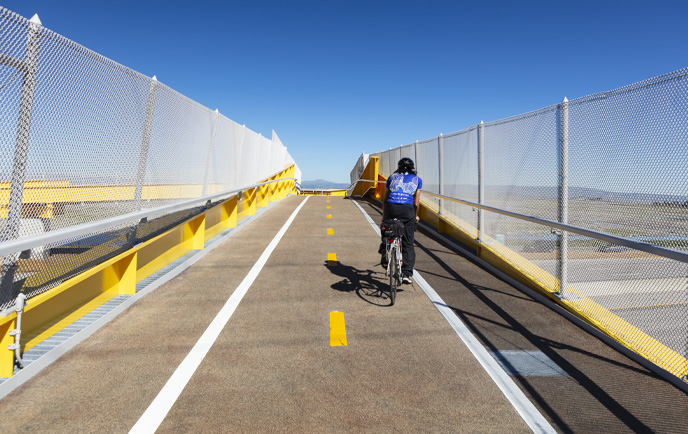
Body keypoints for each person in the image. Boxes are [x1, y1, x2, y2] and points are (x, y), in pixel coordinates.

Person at [379, 157, 422, 284]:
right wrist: (416, 215)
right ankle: (406, 274)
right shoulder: (417, 180)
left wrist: (384, 216)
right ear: (412, 168)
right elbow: (416, 203)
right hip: (407, 210)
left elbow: (385, 200)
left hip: (391, 208)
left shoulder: (392, 177)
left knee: (386, 227)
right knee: (408, 243)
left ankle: (383, 248)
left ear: (398, 167)